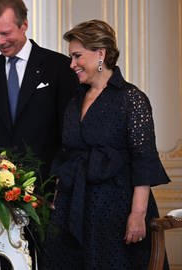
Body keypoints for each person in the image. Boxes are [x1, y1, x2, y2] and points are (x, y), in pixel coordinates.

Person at [41, 20, 171, 270]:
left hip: (116, 212)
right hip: (72, 210)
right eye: (71, 57)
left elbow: (143, 161)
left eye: (77, 56)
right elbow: (67, 154)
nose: (72, 64)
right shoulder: (74, 100)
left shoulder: (131, 99)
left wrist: (137, 215)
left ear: (100, 53)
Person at [0, 0, 78, 269]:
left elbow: (71, 134)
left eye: (6, 33)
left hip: (52, 192)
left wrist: (61, 185)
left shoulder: (59, 67)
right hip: (5, 199)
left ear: (24, 25)